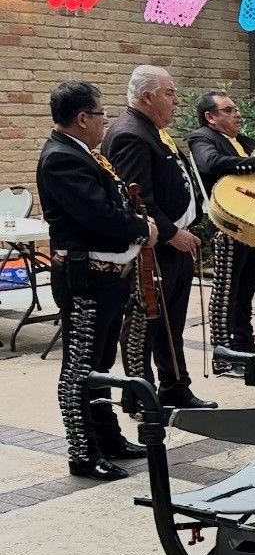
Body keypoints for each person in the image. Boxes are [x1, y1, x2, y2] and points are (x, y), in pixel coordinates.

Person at [36, 81, 157, 480]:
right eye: (101, 113)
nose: (106, 120)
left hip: (108, 277)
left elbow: (113, 201)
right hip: (85, 279)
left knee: (102, 363)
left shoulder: (81, 152)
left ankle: (108, 437)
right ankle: (83, 452)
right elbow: (98, 215)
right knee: (80, 367)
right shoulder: (61, 159)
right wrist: (142, 228)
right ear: (82, 118)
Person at [103, 65, 212, 412]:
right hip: (153, 247)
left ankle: (175, 388)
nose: (177, 101)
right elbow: (138, 200)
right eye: (170, 93)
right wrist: (171, 234)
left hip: (176, 243)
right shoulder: (130, 134)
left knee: (171, 324)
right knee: (145, 324)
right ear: (147, 97)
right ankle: (139, 394)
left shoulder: (151, 129)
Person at [187, 91, 255, 370]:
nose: (237, 114)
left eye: (236, 109)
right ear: (211, 117)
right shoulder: (202, 137)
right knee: (226, 291)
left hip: (251, 223)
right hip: (227, 226)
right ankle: (224, 355)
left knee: (245, 290)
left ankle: (246, 347)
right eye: (229, 110)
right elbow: (210, 163)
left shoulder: (240, 141)